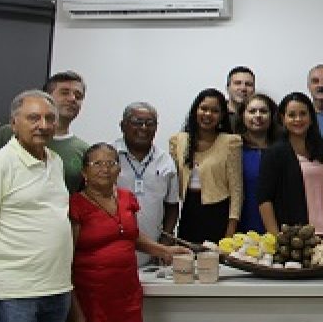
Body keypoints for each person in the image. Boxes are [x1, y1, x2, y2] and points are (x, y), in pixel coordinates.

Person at [0, 90, 73, 322]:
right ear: (14, 124)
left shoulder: (56, 162)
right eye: (33, 118)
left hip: (56, 288)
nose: (43, 125)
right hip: (13, 293)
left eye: (49, 118)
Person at [69, 143, 189, 322]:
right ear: (84, 172)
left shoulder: (127, 198)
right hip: (92, 297)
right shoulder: (76, 205)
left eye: (111, 163)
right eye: (97, 164)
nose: (105, 169)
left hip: (128, 294)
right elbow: (65, 263)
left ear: (119, 170)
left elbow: (130, 235)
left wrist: (165, 251)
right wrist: (76, 313)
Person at [0, 70, 89, 193]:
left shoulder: (83, 150)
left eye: (78, 96)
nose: (72, 99)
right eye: (64, 93)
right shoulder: (10, 132)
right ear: (46, 97)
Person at [258, 92, 323, 234]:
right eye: (292, 115)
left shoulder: (322, 148)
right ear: (283, 119)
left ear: (311, 118)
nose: (298, 119)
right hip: (299, 237)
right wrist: (277, 238)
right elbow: (264, 200)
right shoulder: (274, 153)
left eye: (303, 114)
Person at [169, 88, 243, 243]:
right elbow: (171, 184)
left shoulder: (231, 142)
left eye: (215, 111)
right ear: (195, 110)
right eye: (203, 108)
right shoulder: (178, 140)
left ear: (222, 115)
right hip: (188, 211)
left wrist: (231, 228)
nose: (208, 114)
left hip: (219, 212)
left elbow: (236, 190)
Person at [113, 102, 180, 266]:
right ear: (123, 125)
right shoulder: (109, 156)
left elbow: (172, 205)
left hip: (153, 250)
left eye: (150, 123)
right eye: (137, 122)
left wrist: (164, 242)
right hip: (114, 246)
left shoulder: (165, 161)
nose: (144, 128)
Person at [235, 93, 279, 233]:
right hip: (242, 223)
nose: (258, 115)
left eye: (263, 111)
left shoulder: (282, 149)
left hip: (278, 224)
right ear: (242, 115)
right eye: (252, 111)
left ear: (272, 116)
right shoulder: (234, 149)